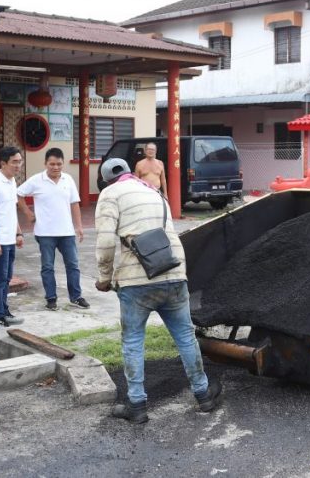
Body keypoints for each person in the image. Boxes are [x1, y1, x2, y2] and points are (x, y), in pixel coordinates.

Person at [95, 158, 222, 422]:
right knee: (185, 336)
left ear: (105, 180)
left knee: (133, 340)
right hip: (173, 272)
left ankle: (137, 406)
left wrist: (104, 278)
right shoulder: (153, 191)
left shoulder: (110, 194)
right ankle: (203, 395)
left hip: (136, 280)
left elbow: (106, 241)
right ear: (131, 172)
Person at [17, 148, 88, 311]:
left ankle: (76, 297)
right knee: (48, 267)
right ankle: (51, 298)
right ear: (46, 164)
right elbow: (18, 194)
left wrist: (79, 226)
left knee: (73, 265)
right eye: (52, 164)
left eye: (59, 164)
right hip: (45, 233)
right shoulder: (36, 180)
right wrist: (28, 213)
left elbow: (74, 203)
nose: (56, 167)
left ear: (63, 164)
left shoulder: (68, 179)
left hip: (67, 232)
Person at [0, 146, 26, 328]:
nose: (18, 165)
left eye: (20, 161)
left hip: (9, 239)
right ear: (3, 163)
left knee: (7, 278)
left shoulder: (12, 181)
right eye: (14, 162)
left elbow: (11, 211)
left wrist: (18, 233)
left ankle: (4, 312)